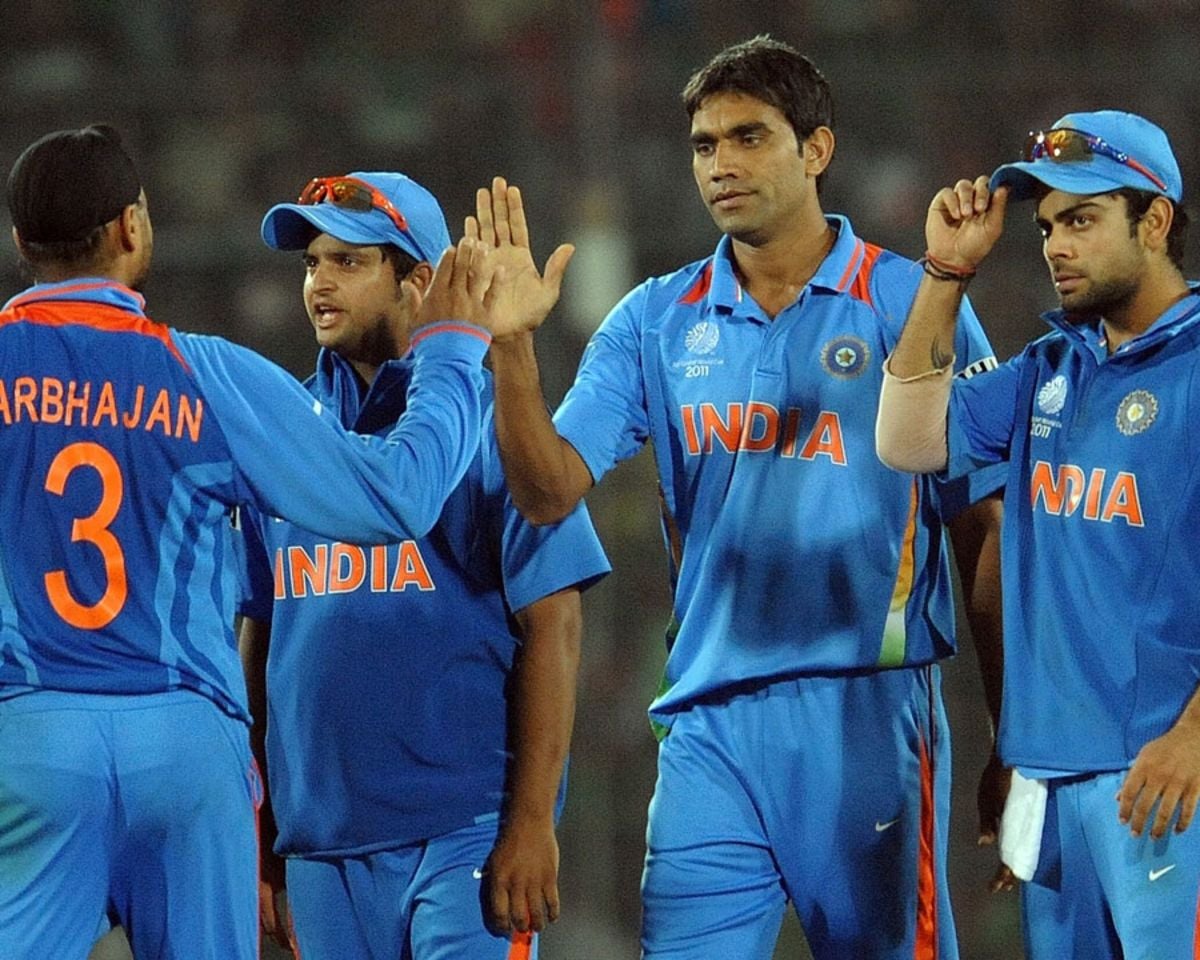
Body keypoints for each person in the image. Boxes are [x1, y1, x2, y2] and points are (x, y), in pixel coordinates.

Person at [481, 35, 1005, 960]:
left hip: (870, 709)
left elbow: (981, 524)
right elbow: (548, 489)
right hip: (708, 722)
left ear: (816, 149)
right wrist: (512, 351)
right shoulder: (654, 318)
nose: (720, 164)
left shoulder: (910, 296)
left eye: (748, 137)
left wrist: (1012, 727)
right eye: (703, 144)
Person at [0, 124, 507, 960]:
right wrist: (453, 350)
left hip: (32, 738)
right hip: (186, 745)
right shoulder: (208, 373)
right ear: (135, 228)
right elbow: (400, 494)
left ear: (21, 242)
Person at [237, 170, 610, 960]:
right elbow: (260, 641)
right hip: (322, 847)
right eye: (311, 264)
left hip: (465, 834)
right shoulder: (288, 427)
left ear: (417, 280)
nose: (319, 283)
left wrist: (533, 823)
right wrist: (263, 830)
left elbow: (555, 625)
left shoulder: (495, 421)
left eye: (347, 261)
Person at [877, 109, 1200, 957]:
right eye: (1049, 225)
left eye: (1083, 220)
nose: (1055, 245)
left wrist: (1197, 734)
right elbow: (905, 439)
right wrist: (945, 273)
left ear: (1155, 219)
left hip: (1166, 777)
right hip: (1047, 784)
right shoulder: (1048, 369)